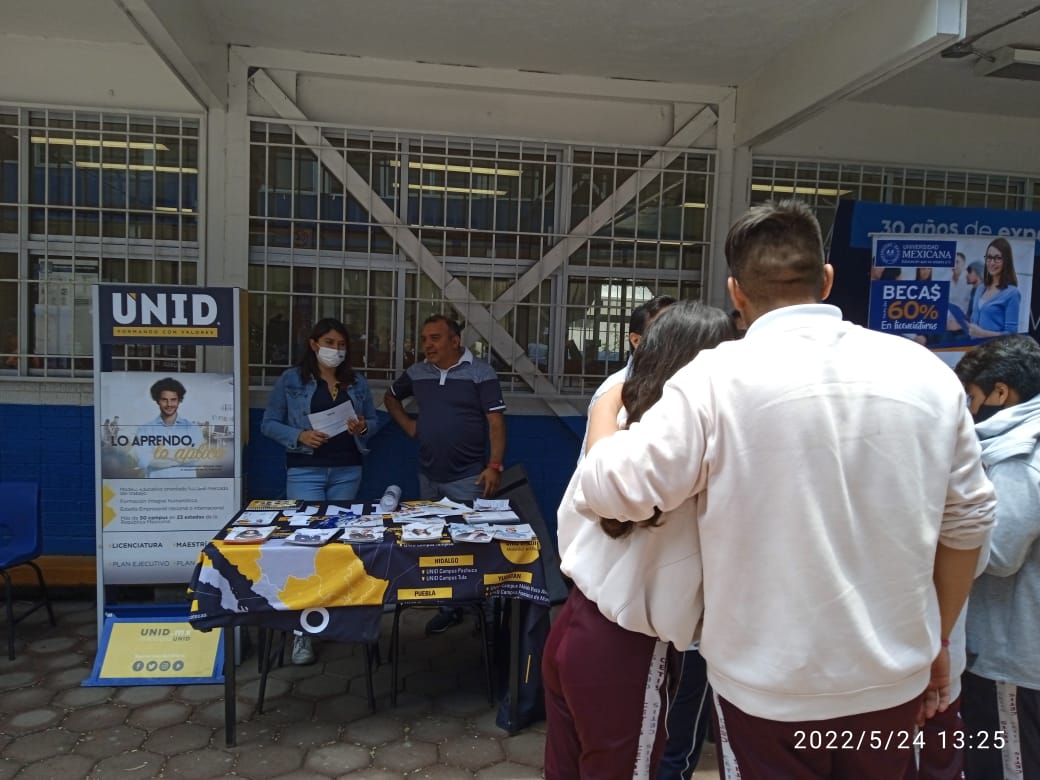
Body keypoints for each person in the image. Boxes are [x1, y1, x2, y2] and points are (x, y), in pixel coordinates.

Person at [577, 200, 996, 778]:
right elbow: (970, 522)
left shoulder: (713, 380)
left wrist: (606, 410)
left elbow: (614, 491)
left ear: (736, 293)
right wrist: (938, 640)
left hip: (765, 689)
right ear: (826, 279)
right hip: (892, 679)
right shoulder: (927, 374)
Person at [545, 301, 735, 780]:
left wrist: (608, 402)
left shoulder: (619, 423)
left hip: (576, 621)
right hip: (627, 649)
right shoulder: (694, 447)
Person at [261, 317, 379, 665]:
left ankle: (336, 617)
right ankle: (303, 631)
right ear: (314, 344)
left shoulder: (356, 382)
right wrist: (299, 435)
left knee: (339, 546)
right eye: (329, 343)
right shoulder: (292, 380)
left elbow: (374, 421)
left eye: (341, 345)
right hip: (305, 470)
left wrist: (362, 427)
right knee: (305, 545)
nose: (335, 350)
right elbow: (269, 423)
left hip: (347, 470)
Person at [384, 314, 506, 635]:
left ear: (455, 341)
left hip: (469, 478)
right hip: (429, 477)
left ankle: (486, 614)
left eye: (435, 338)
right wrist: (409, 426)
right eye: (424, 339)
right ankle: (449, 608)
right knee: (437, 546)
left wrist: (494, 466)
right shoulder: (418, 372)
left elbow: (495, 423)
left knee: (476, 546)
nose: (428, 345)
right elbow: (390, 397)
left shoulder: (480, 373)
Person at [953, 335, 1040, 779]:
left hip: (1012, 655)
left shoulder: (1018, 456)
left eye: (972, 398)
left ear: (1000, 392)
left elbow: (1001, 555)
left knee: (1007, 768)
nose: (968, 411)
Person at [578, 295, 676, 461]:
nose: (675, 342)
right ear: (636, 340)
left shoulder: (683, 385)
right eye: (663, 333)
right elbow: (597, 467)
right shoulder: (613, 393)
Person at [135, 377, 204, 478]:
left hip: (186, 485)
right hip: (155, 485)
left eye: (173, 400)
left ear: (179, 400)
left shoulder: (192, 428)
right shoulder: (145, 429)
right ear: (157, 401)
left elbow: (197, 456)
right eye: (164, 400)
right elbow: (144, 460)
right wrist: (181, 456)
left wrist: (161, 454)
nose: (169, 404)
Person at [968, 237, 1021, 339]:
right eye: (989, 257)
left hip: (994, 349)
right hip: (974, 347)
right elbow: (974, 322)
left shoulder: (1012, 293)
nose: (992, 262)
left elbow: (1011, 335)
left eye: (997, 258)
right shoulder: (980, 288)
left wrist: (982, 334)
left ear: (1006, 261)